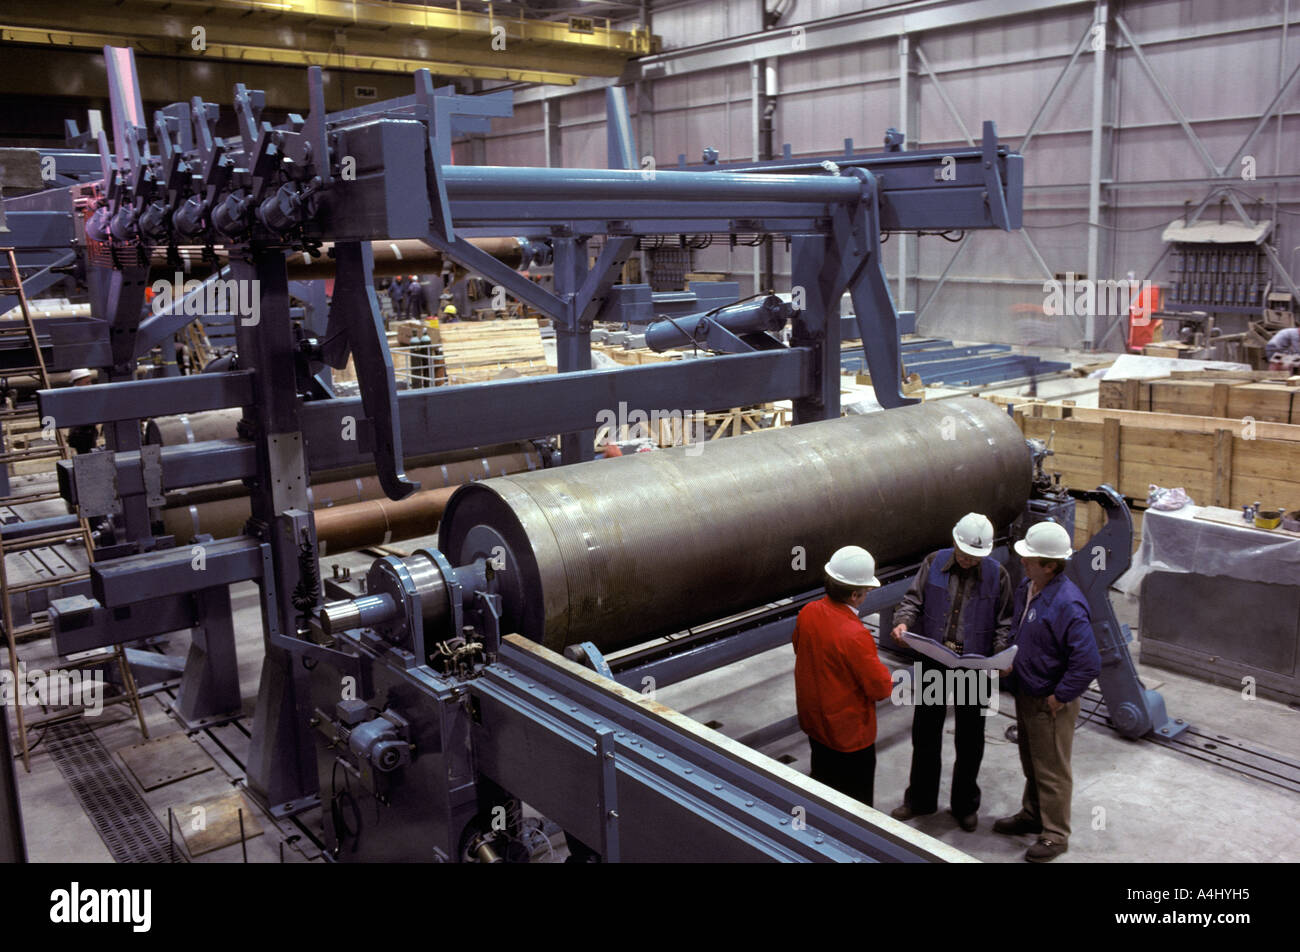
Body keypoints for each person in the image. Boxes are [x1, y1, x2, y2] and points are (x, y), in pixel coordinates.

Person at [887, 512, 1013, 831]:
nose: (969, 561)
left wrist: (999, 657)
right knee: (926, 734)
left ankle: (964, 805)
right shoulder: (934, 562)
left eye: (975, 557)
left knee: (970, 741)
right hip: (935, 661)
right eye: (964, 554)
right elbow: (912, 600)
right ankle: (920, 800)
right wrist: (902, 621)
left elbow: (1004, 623)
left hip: (974, 668)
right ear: (954, 543)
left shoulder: (998, 575)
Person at [994, 521, 1100, 863]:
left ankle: (1055, 835)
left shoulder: (1068, 605)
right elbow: (1021, 629)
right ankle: (1032, 814)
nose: (1023, 561)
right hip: (1028, 692)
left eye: (1031, 558)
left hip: (1050, 701)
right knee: (1033, 761)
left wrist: (1060, 696)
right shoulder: (1031, 586)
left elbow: (1088, 662)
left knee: (1052, 769)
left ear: (1051, 565)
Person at [792, 545, 894, 807]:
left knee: (824, 793)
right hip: (848, 737)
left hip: (816, 725)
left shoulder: (808, 612)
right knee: (855, 808)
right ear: (856, 594)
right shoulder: (855, 634)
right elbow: (880, 688)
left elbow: (799, 649)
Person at [66, 368, 99, 454]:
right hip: (81, 435)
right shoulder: (74, 396)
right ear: (77, 383)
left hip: (88, 433)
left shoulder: (85, 395)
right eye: (87, 382)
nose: (90, 385)